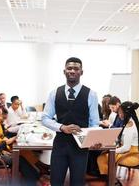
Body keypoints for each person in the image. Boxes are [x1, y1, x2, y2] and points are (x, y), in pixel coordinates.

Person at [42, 57, 100, 186]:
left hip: (81, 147)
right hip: (60, 146)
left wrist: (94, 139)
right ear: (64, 71)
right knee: (55, 181)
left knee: (78, 183)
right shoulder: (54, 93)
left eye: (76, 68)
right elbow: (45, 118)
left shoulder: (91, 94)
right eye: (69, 68)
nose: (72, 71)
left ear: (81, 72)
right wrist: (62, 127)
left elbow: (95, 123)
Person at [0, 103, 40, 185]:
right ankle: (33, 180)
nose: (1, 118)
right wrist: (5, 143)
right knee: (18, 160)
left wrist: (3, 148)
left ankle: (34, 178)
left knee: (19, 157)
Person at [97, 101, 139, 175]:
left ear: (127, 113)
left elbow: (126, 148)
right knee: (103, 154)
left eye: (121, 113)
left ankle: (109, 179)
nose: (119, 115)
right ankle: (109, 177)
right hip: (128, 152)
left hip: (130, 155)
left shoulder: (130, 127)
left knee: (102, 157)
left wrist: (111, 151)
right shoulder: (129, 122)